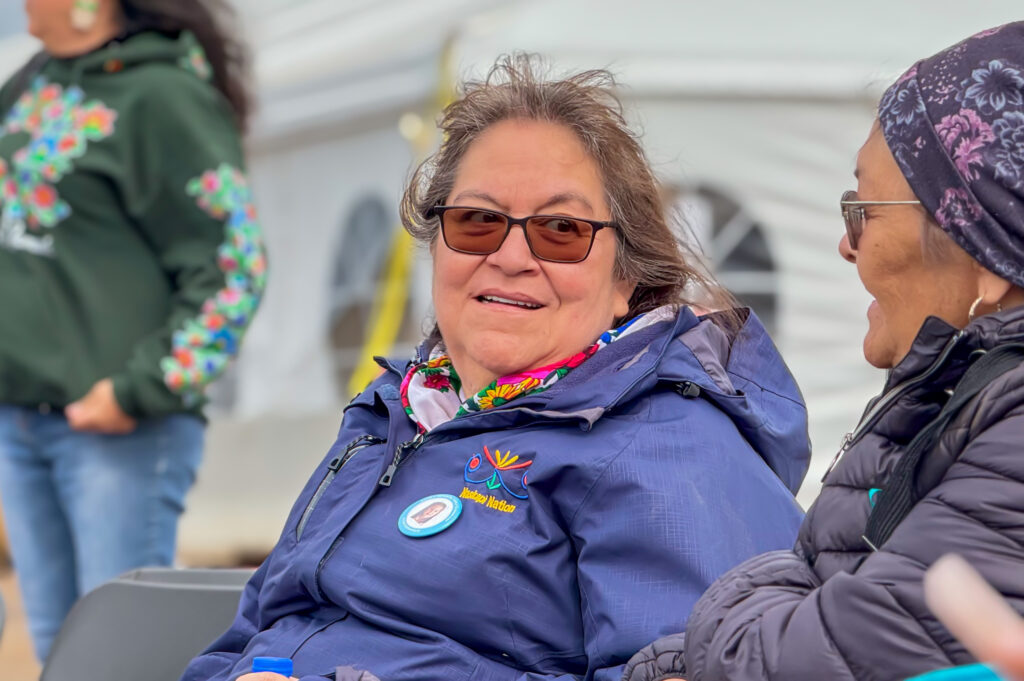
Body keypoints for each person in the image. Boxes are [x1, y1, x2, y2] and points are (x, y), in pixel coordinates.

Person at [181, 55, 808, 681]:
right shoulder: (392, 413)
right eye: (477, 221)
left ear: (628, 279)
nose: (510, 256)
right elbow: (249, 634)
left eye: (561, 229)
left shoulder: (671, 449)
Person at [623, 21, 1024, 681]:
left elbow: (817, 658)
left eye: (863, 209)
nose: (847, 243)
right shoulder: (959, 399)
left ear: (980, 230)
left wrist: (734, 602)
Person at [0, 0, 266, 662]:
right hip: (19, 419)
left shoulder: (164, 96)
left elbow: (236, 266)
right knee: (57, 651)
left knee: (123, 659)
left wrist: (139, 389)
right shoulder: (33, 81)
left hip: (115, 432)